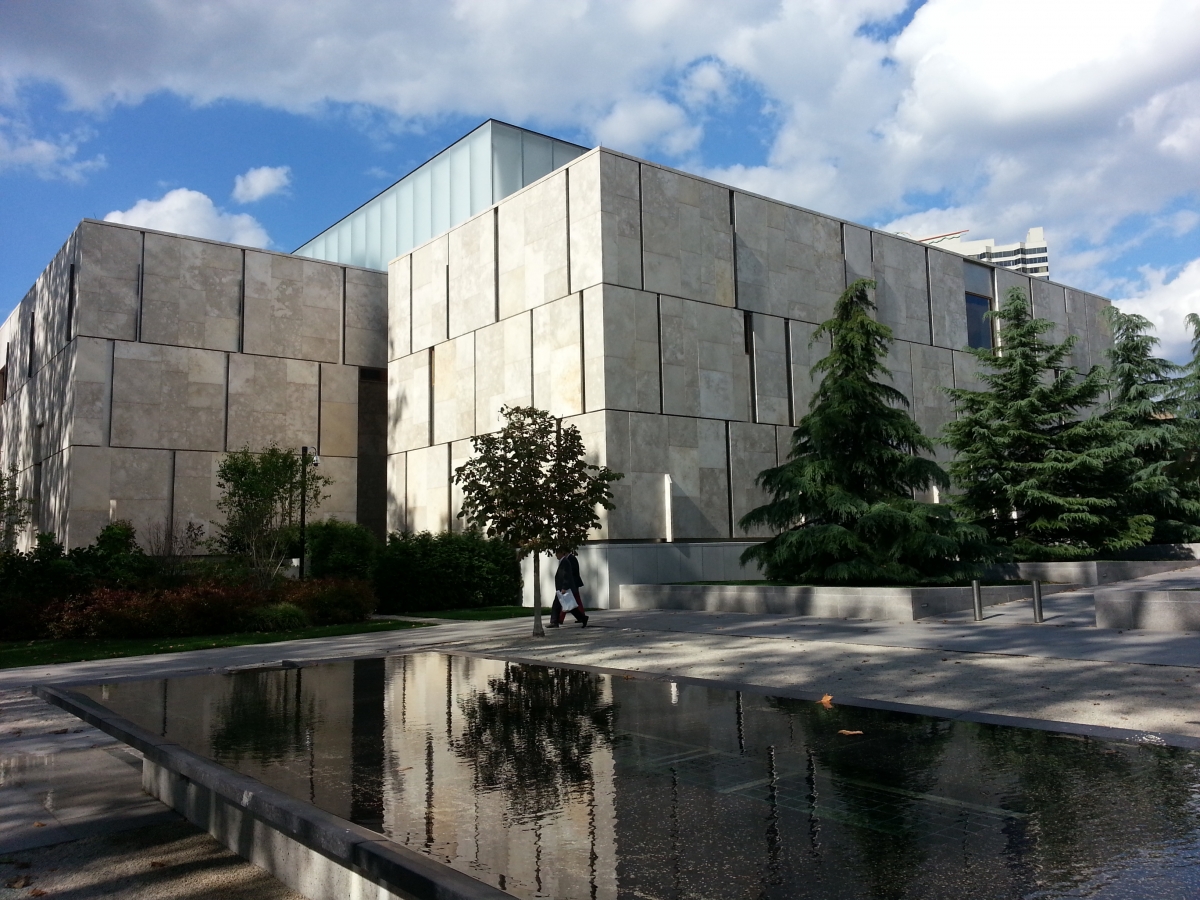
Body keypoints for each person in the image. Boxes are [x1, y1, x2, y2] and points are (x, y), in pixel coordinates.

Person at [549, 549, 588, 627]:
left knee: (557, 605)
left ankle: (554, 622)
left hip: (563, 588)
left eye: (557, 553)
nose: (556, 555)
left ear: (561, 553)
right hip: (561, 588)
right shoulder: (563, 561)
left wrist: (564, 587)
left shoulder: (566, 562)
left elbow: (567, 576)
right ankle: (583, 618)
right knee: (569, 606)